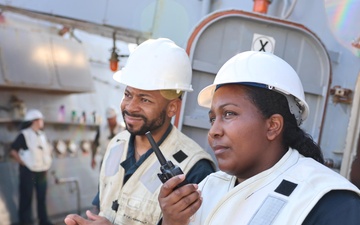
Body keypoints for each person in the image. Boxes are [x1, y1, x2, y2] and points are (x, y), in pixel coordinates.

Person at [158, 51, 360, 225]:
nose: (214, 131)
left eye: (229, 114)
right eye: (213, 119)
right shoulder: (208, 188)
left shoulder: (329, 202)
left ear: (273, 126)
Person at [64, 38, 216, 225]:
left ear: (172, 108)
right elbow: (102, 204)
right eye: (128, 94)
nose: (130, 107)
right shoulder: (116, 144)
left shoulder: (194, 168)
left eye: (145, 100)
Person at [10, 109, 53, 225]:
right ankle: (25, 222)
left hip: (42, 171)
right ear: (34, 121)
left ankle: (43, 220)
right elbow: (13, 150)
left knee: (41, 197)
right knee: (26, 197)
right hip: (28, 171)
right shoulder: (24, 134)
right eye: (40, 120)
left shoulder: (42, 135)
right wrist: (22, 162)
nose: (42, 122)